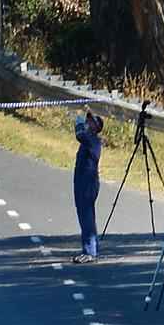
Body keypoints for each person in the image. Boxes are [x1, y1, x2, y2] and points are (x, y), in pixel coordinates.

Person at [72, 111, 104, 264]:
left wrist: (78, 123)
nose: (86, 122)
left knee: (86, 216)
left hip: (88, 183)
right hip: (81, 181)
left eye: (89, 121)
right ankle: (93, 248)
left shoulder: (93, 141)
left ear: (95, 127)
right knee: (85, 214)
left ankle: (89, 251)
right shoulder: (88, 141)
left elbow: (79, 135)